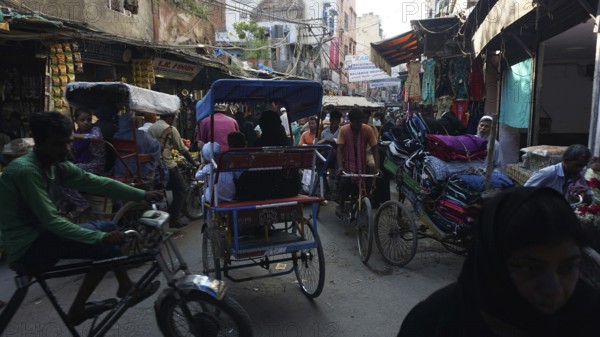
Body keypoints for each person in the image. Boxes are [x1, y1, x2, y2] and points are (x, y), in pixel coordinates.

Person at [0, 111, 164, 326]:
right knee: (105, 242)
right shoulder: (26, 171)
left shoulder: (56, 166)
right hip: (28, 247)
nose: (67, 150)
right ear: (40, 143)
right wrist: (98, 238)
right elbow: (53, 221)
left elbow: (98, 183)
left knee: (108, 230)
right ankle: (87, 305)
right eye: (60, 144)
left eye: (68, 143)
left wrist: (142, 194)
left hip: (42, 237)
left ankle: (120, 289)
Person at [397, 187, 600, 337]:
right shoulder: (434, 323)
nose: (554, 289)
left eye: (567, 268)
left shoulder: (590, 316)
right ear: (492, 263)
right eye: (530, 268)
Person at [148, 113, 199, 228]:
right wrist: (194, 162)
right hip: (168, 166)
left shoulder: (151, 128)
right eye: (174, 118)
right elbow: (182, 150)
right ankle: (174, 219)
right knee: (181, 189)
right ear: (170, 117)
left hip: (153, 167)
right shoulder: (170, 129)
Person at [336, 108, 380, 216]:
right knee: (344, 184)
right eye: (357, 122)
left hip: (362, 162)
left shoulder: (367, 129)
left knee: (367, 185)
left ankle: (364, 204)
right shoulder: (344, 130)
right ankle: (341, 205)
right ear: (351, 121)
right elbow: (340, 150)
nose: (359, 124)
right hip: (347, 163)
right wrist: (340, 167)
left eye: (361, 121)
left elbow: (375, 149)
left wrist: (378, 168)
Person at [524, 144, 592, 204]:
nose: (580, 169)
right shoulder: (548, 173)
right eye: (577, 165)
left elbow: (589, 198)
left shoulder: (577, 175)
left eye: (583, 166)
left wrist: (583, 196)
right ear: (566, 161)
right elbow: (524, 193)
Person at [112, 111, 161, 182]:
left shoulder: (116, 136)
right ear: (135, 122)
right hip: (139, 173)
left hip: (120, 172)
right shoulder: (141, 135)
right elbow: (156, 149)